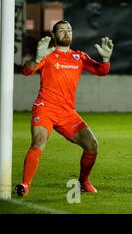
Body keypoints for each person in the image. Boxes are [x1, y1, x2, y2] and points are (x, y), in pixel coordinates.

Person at [15, 20, 114, 196]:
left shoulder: (79, 56)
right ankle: (25, 184)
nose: (66, 32)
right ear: (54, 35)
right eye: (61, 30)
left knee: (92, 146)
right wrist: (37, 58)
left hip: (67, 112)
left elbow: (101, 71)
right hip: (45, 107)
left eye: (69, 29)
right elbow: (26, 71)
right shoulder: (47, 54)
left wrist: (105, 59)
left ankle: (83, 181)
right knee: (38, 141)